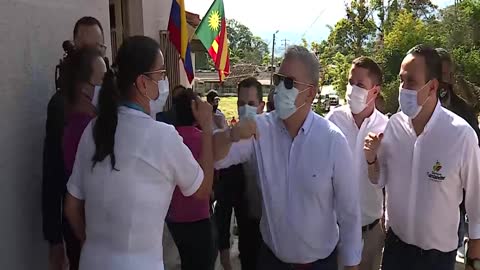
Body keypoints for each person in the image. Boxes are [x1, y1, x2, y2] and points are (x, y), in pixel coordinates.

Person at [63, 36, 214, 270]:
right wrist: (206, 128)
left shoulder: (94, 129)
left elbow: (72, 205)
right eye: (161, 74)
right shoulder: (163, 136)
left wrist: (92, 245)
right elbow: (202, 191)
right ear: (143, 83)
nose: (164, 81)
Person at [213, 46, 362, 270]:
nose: (280, 88)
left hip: (320, 263)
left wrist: (351, 265)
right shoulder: (258, 129)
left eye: (290, 82)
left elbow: (349, 213)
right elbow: (215, 158)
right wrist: (231, 134)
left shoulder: (332, 141)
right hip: (272, 260)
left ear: (311, 93)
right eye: (278, 79)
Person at [364, 45, 480, 270]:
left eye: (411, 82)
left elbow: (476, 197)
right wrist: (371, 159)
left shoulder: (460, 135)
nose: (403, 89)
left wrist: (475, 249)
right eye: (401, 81)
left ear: (433, 86)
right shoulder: (393, 127)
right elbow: (380, 180)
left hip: (436, 258)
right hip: (396, 250)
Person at [42, 16, 106, 270]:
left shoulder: (115, 102)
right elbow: (53, 175)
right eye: (85, 50)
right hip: (81, 231)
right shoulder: (61, 107)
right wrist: (55, 240)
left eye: (98, 49)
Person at [326, 56, 387, 270]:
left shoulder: (385, 128)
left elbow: (381, 181)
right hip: (335, 231)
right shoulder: (333, 121)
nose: (352, 89)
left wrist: (372, 159)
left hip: (370, 232)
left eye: (360, 85)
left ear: (375, 91)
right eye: (350, 83)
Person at [60, 47, 107, 270]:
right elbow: (74, 205)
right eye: (103, 79)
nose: (109, 87)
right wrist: (89, 241)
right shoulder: (84, 130)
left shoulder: (87, 125)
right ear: (84, 88)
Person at [215, 77, 265, 270]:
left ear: (261, 106)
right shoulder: (232, 147)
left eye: (251, 104)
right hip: (249, 230)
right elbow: (224, 204)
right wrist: (224, 251)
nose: (245, 109)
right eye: (241, 104)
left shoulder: (276, 136)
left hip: (277, 232)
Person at [436, 48, 480, 260]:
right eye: (441, 76)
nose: (445, 82)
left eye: (449, 76)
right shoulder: (409, 109)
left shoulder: (464, 112)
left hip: (454, 203)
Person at [166, 87, 217, 270]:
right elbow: (210, 177)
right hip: (198, 217)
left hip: (174, 219)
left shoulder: (168, 139)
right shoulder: (204, 139)